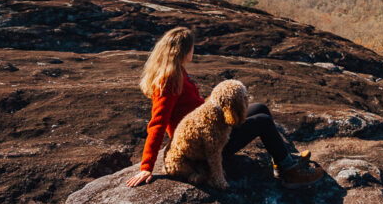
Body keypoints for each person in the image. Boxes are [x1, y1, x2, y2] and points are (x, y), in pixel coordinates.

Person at [126, 26, 323, 188]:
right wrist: (146, 167)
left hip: (208, 127)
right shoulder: (168, 82)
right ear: (184, 51)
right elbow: (157, 124)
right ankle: (289, 173)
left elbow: (193, 107)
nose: (194, 51)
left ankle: (281, 158)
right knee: (262, 122)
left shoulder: (178, 72)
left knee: (260, 108)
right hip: (204, 143)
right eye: (192, 48)